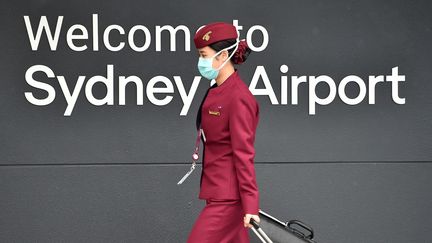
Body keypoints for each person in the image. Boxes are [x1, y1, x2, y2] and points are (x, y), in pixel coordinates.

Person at [187, 22, 261, 243]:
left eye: (204, 55)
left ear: (223, 55)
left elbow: (244, 154)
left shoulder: (238, 97)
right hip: (217, 192)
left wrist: (251, 206)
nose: (201, 61)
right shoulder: (218, 89)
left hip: (228, 199)